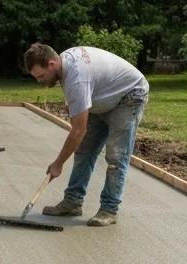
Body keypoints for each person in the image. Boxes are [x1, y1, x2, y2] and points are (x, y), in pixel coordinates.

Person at [24, 43, 149, 227]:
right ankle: (73, 202)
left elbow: (78, 130)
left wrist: (58, 164)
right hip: (103, 97)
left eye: (41, 76)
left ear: (51, 64)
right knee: (84, 150)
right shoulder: (64, 61)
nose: (40, 81)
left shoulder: (77, 78)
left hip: (129, 95)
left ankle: (109, 209)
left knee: (116, 156)